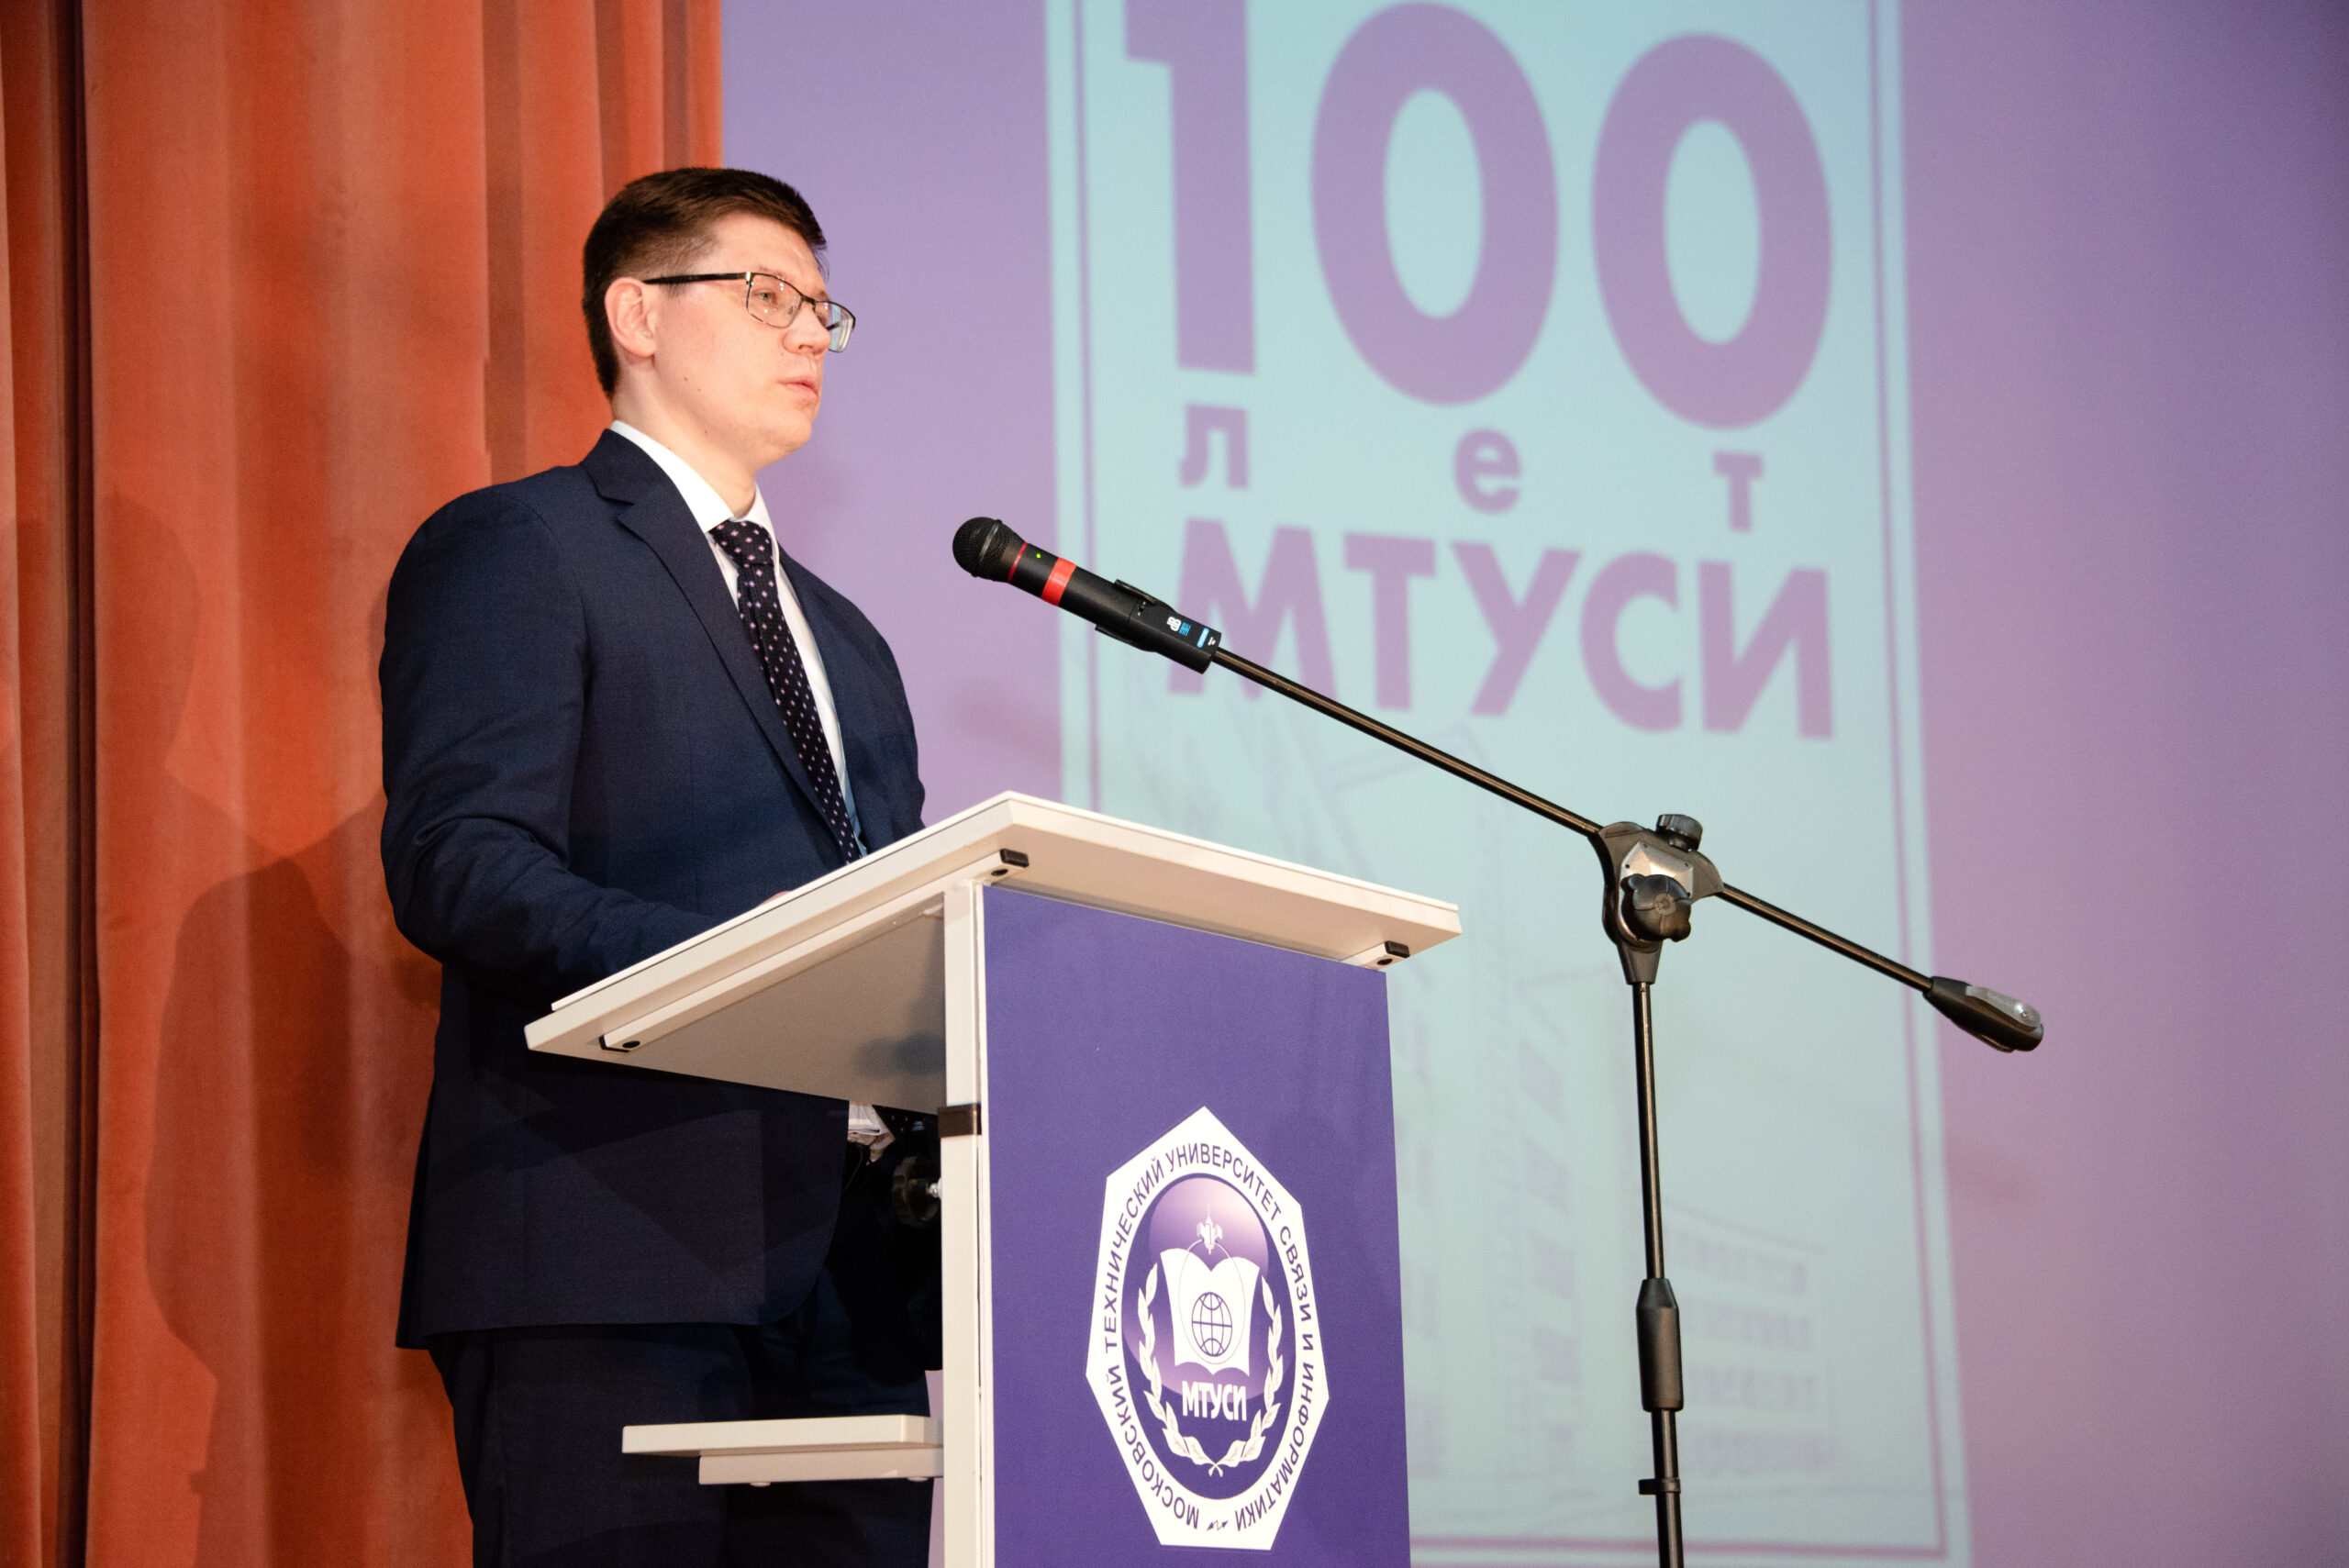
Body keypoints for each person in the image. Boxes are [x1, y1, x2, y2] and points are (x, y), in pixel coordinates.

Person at [380, 167, 937, 1567]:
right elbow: (460, 861)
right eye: (768, 296)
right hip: (608, 1243)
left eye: (823, 311)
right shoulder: (524, 545)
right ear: (636, 313)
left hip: (850, 1284)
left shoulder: (849, 640)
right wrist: (736, 969)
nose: (809, 334)